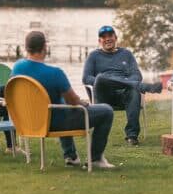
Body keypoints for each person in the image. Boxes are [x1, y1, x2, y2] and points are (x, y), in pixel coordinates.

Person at [12, 31, 116, 169]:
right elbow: (73, 101)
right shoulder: (55, 73)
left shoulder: (17, 68)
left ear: (26, 48)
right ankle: (95, 159)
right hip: (54, 122)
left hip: (30, 121)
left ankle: (71, 156)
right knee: (106, 111)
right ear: (45, 47)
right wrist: (82, 103)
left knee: (59, 102)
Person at [82, 25, 162, 146]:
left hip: (123, 94)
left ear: (116, 38)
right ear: (99, 41)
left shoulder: (126, 54)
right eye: (104, 37)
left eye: (110, 36)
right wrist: (111, 81)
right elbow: (86, 78)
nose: (107, 39)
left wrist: (121, 82)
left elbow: (136, 75)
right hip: (104, 95)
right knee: (101, 78)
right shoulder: (93, 56)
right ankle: (144, 87)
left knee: (134, 91)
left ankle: (132, 136)